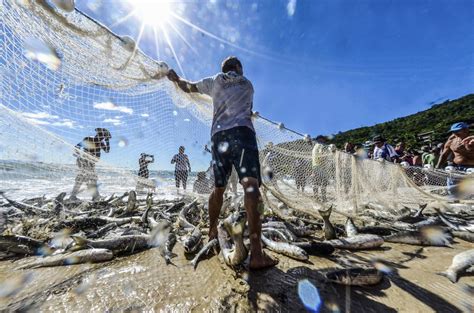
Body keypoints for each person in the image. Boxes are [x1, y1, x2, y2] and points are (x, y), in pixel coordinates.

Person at [166, 56, 277, 269]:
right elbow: (245, 109)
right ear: (239, 69)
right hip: (243, 134)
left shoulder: (215, 80)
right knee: (251, 187)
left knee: (218, 188)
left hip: (219, 137)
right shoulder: (248, 85)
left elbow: (188, 87)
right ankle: (256, 254)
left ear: (224, 69)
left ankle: (212, 232)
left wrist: (175, 78)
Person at [70, 128, 111, 201]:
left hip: (91, 163)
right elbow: (78, 146)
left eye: (103, 137)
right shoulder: (89, 139)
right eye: (102, 136)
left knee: (90, 178)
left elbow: (107, 150)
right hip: (84, 161)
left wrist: (107, 141)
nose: (102, 138)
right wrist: (77, 152)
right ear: (97, 134)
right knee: (85, 177)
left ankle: (94, 196)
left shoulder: (101, 143)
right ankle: (74, 196)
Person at [311, 135, 330, 202]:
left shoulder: (315, 146)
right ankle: (323, 198)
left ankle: (316, 197)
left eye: (323, 140)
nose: (323, 141)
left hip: (315, 166)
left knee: (316, 182)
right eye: (322, 139)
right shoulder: (321, 146)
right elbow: (322, 154)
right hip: (320, 166)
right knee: (322, 182)